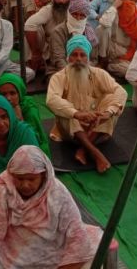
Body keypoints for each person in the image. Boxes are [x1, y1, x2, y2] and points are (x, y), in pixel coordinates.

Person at [0, 145, 101, 269]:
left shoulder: (57, 193)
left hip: (52, 254)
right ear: (12, 174)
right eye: (20, 178)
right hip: (11, 259)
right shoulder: (2, 191)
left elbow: (76, 231)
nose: (25, 185)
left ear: (43, 175)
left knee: (91, 253)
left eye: (31, 179)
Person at [46, 35, 127, 173]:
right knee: (66, 111)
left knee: (112, 101)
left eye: (82, 55)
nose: (78, 59)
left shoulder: (99, 73)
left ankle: (83, 149)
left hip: (95, 124)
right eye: (74, 55)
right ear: (68, 57)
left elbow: (121, 92)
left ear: (88, 58)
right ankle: (95, 153)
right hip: (71, 131)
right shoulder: (59, 77)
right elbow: (51, 99)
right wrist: (77, 114)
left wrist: (107, 113)